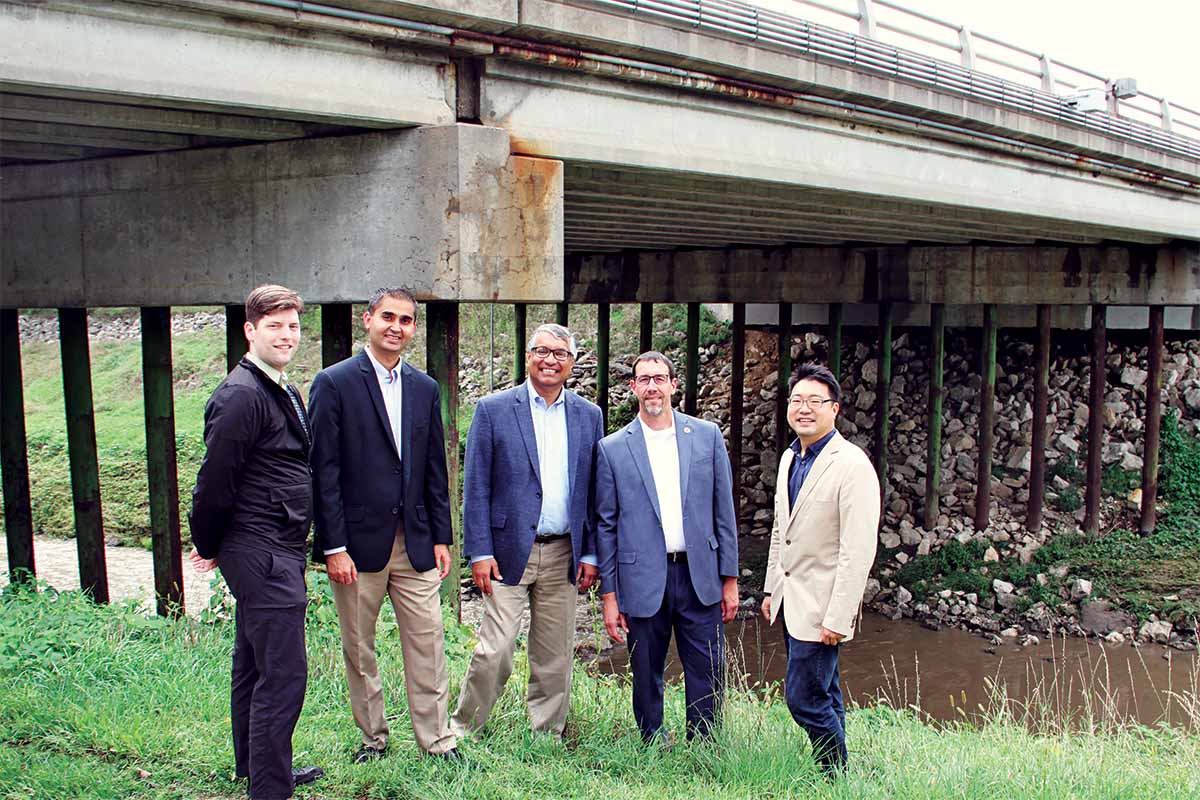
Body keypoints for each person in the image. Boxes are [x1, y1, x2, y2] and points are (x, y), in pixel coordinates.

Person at [308, 287, 460, 762]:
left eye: (407, 320)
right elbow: (323, 471)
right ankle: (373, 738)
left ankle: (438, 742)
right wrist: (333, 546)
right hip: (356, 545)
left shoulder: (424, 387)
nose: (397, 326)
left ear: (414, 328)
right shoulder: (333, 383)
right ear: (367, 320)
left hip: (414, 542)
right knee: (359, 646)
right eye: (388, 317)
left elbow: (435, 467)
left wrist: (441, 535)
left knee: (428, 643)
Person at [189, 284, 323, 800]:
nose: (286, 335)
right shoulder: (242, 395)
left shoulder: (278, 386)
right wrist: (209, 543)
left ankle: (256, 767)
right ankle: (272, 789)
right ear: (250, 330)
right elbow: (214, 480)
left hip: (274, 544)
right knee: (285, 672)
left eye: (292, 326)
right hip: (261, 548)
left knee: (253, 659)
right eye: (274, 326)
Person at [452, 323, 605, 739]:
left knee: (554, 654)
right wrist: (479, 551)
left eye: (559, 353)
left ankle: (547, 734)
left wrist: (590, 553)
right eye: (542, 351)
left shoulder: (589, 416)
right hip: (506, 551)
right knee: (495, 649)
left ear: (572, 363)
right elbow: (477, 484)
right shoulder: (493, 409)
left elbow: (594, 491)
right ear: (528, 356)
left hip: (564, 553)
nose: (550, 360)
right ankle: (464, 729)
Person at [595, 351, 739, 743]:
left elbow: (723, 512)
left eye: (659, 378)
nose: (652, 386)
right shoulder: (612, 449)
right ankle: (651, 741)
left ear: (675, 385)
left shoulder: (706, 436)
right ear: (633, 388)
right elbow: (606, 526)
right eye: (644, 379)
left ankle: (705, 743)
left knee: (706, 668)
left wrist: (730, 579)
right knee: (645, 669)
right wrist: (610, 595)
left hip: (699, 575)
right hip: (641, 576)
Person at [761, 362, 880, 775]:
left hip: (823, 605)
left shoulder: (852, 465)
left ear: (835, 409)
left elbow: (858, 549)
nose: (804, 409)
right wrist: (771, 588)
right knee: (825, 690)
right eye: (797, 401)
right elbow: (782, 528)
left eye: (815, 401)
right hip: (793, 598)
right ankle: (837, 773)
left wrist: (840, 616)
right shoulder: (790, 458)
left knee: (804, 698)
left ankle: (832, 769)